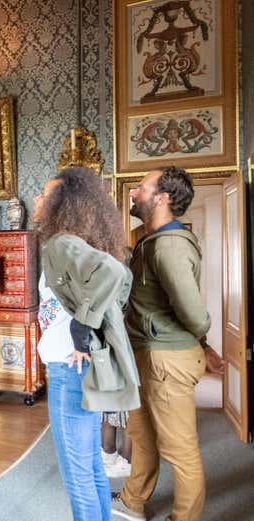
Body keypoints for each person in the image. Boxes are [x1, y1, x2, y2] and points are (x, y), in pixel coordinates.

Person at [112, 166, 225, 521]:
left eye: (142, 187)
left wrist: (202, 337)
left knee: (180, 448)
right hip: (145, 353)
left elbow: (193, 313)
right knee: (141, 436)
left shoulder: (171, 246)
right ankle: (133, 502)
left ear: (162, 198)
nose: (133, 192)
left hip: (166, 359)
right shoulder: (146, 239)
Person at [34, 167, 140, 521]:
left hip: (69, 367)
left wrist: (83, 326)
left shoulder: (62, 243)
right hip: (77, 366)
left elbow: (113, 273)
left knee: (77, 475)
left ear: (64, 205)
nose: (37, 199)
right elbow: (118, 279)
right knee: (91, 465)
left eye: (45, 195)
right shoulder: (74, 242)